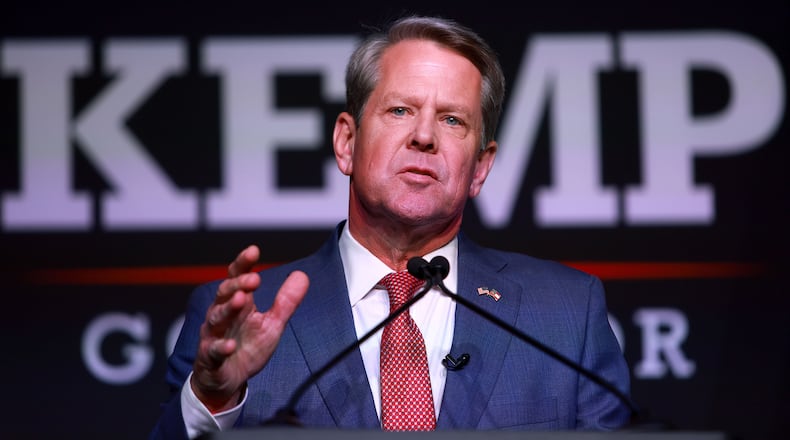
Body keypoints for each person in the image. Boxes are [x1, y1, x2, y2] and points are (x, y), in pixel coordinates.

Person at [150, 15, 631, 439]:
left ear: (480, 169)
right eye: (400, 110)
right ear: (346, 143)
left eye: (452, 120)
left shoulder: (566, 316)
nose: (424, 136)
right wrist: (212, 403)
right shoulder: (241, 321)